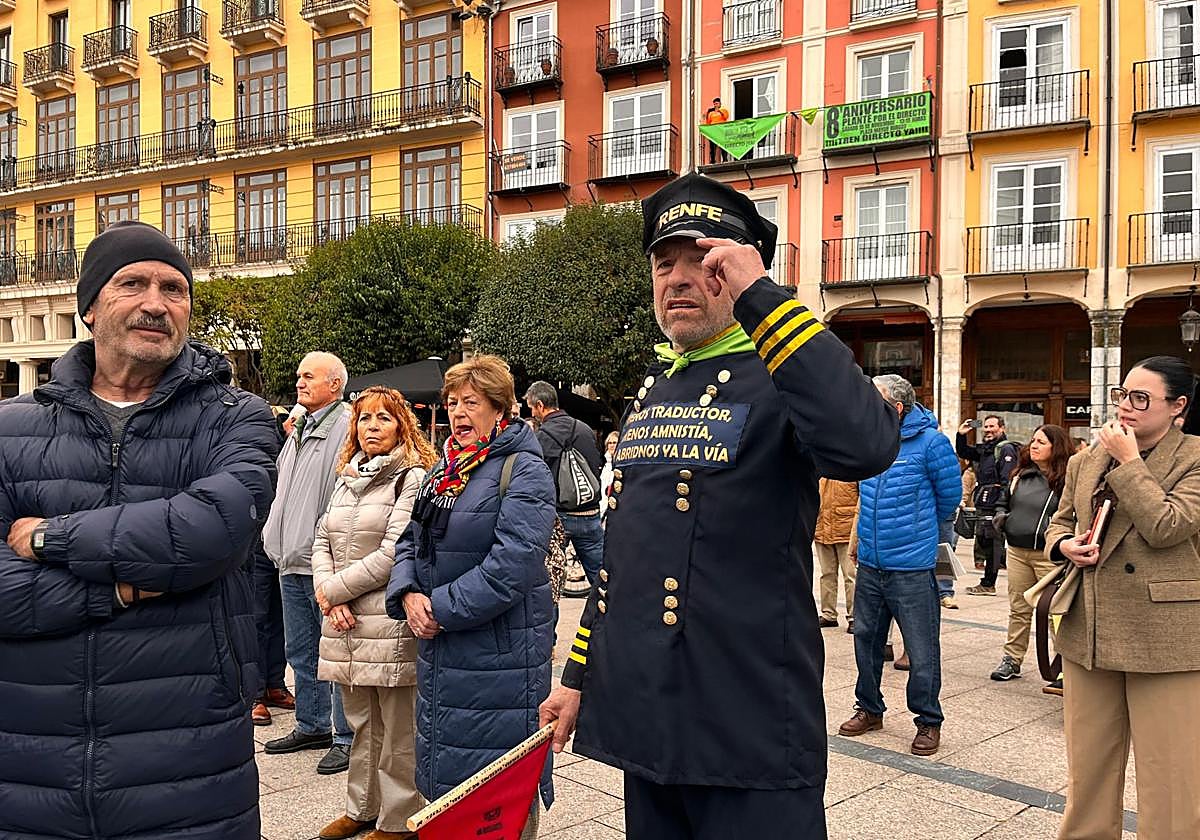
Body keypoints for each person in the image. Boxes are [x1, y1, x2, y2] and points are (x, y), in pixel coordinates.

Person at [538, 172, 900, 839]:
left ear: (738, 274)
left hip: (745, 719)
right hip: (650, 718)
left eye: (703, 263)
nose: (678, 278)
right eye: (663, 264)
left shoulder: (781, 373)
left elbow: (866, 444)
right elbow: (625, 561)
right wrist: (577, 676)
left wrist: (765, 299)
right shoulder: (655, 387)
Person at [0, 221, 277, 838]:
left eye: (174, 289)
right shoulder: (8, 429)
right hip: (29, 763)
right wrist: (121, 589)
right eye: (132, 284)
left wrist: (50, 539)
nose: (156, 303)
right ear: (90, 308)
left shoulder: (237, 418)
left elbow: (212, 530)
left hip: (190, 762)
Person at [386, 355, 557, 839]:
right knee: (445, 779)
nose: (458, 412)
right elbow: (409, 540)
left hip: (498, 659)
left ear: (500, 409)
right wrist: (408, 593)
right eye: (452, 402)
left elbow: (512, 565)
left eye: (471, 402)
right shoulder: (445, 468)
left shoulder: (523, 470)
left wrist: (438, 608)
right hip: (441, 650)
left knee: (495, 793)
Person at [1046, 356, 1200, 840]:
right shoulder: (1086, 459)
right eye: (1122, 395)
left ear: (1177, 406)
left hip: (1166, 636)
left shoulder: (1194, 457)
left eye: (1141, 398)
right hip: (1089, 627)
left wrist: (1131, 463)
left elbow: (1167, 525)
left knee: (1170, 774)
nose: (1126, 407)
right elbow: (1059, 521)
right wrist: (1064, 545)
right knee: (1087, 766)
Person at [312, 387, 437, 840]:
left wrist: (332, 591)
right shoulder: (346, 477)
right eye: (365, 418)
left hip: (387, 621)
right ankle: (361, 808)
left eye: (384, 418)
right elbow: (321, 539)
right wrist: (330, 596)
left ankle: (399, 819)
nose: (373, 426)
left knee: (398, 729)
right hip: (344, 621)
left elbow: (393, 552)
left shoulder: (412, 477)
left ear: (402, 425)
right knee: (361, 725)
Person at [840, 375, 959, 755]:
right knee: (866, 642)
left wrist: (917, 534)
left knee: (922, 651)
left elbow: (949, 499)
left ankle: (928, 721)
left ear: (897, 407)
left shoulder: (932, 443)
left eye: (873, 399)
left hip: (912, 567)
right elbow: (863, 496)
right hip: (871, 564)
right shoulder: (869, 440)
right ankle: (869, 708)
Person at [263, 351, 355, 774]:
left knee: (335, 652)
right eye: (299, 375)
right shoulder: (300, 427)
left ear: (334, 384)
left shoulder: (346, 425)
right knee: (300, 650)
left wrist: (328, 550)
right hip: (290, 558)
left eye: (308, 376)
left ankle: (345, 735)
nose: (299, 382)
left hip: (323, 562)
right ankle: (312, 724)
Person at [987, 424, 1072, 683]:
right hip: (1017, 550)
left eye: (1041, 442)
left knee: (1056, 612)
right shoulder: (1020, 475)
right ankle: (1012, 659)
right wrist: (1002, 517)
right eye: (1033, 440)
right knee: (1019, 609)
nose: (1033, 445)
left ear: (1056, 447)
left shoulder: (1068, 479)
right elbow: (1003, 501)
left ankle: (1065, 666)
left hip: (1050, 555)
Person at [525, 381, 606, 587]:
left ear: (540, 405)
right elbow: (595, 464)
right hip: (590, 514)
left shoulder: (540, 438)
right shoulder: (585, 430)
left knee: (551, 579)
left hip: (559, 517)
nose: (532, 413)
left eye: (532, 407)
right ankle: (610, 607)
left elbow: (537, 479)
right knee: (603, 579)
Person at [957, 415, 1019, 595]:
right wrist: (961, 434)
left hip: (995, 502)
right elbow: (964, 452)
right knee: (984, 540)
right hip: (984, 500)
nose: (988, 430)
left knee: (993, 543)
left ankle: (988, 584)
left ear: (1002, 428)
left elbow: (1007, 480)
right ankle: (987, 581)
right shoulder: (985, 449)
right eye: (985, 427)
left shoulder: (1005, 449)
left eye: (992, 426)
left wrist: (1002, 505)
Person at [815, 478, 858, 631]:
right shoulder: (819, 469)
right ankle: (828, 614)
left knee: (850, 576)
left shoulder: (852, 470)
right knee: (826, 574)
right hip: (822, 528)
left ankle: (855, 617)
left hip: (846, 530)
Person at [600, 430, 620, 522]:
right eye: (609, 443)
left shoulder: (622, 464)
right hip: (603, 508)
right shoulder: (604, 464)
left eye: (614, 443)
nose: (612, 445)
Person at [703, 97, 730, 164]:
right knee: (712, 146)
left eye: (717, 103)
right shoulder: (711, 113)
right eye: (714, 104)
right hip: (713, 131)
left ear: (720, 104)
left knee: (723, 145)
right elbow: (708, 122)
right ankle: (712, 160)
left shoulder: (724, 111)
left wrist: (719, 111)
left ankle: (725, 159)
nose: (715, 105)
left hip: (721, 130)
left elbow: (725, 117)